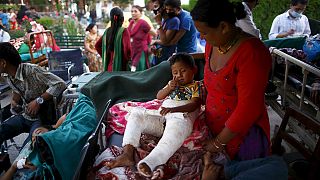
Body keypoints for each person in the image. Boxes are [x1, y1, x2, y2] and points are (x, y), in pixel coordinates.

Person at [191, 0, 275, 178]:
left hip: (243, 136)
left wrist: (217, 143)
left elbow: (248, 109)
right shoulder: (212, 45)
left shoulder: (252, 52)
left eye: (204, 32)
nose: (201, 38)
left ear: (223, 26)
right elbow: (212, 85)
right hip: (215, 126)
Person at [105, 52, 201, 177]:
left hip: (180, 121)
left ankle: (150, 163)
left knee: (169, 139)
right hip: (162, 120)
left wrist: (173, 110)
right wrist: (169, 88)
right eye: (175, 72)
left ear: (194, 70)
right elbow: (159, 96)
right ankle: (127, 154)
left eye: (183, 71)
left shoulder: (196, 86)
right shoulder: (172, 84)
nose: (179, 75)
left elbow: (194, 105)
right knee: (136, 114)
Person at [0, 42, 66, 147]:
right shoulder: (8, 75)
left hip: (42, 118)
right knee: (2, 130)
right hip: (25, 116)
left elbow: (60, 84)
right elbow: (17, 89)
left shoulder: (32, 70)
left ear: (3, 63)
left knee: (30, 147)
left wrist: (38, 101)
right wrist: (14, 101)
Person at [95, 7, 132, 72]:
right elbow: (127, 50)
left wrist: (105, 55)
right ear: (122, 19)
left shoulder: (107, 32)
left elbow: (97, 45)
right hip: (121, 68)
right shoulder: (124, 31)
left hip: (109, 68)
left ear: (111, 19)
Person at [151, 0, 181, 66]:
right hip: (158, 57)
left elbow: (164, 41)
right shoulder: (163, 20)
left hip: (166, 60)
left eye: (156, 6)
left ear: (163, 7)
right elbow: (160, 37)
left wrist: (159, 23)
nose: (154, 9)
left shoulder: (174, 20)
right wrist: (154, 46)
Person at [128, 5, 157, 72]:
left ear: (141, 13)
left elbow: (154, 33)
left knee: (140, 72)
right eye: (132, 11)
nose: (133, 13)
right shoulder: (131, 23)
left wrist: (151, 43)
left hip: (141, 52)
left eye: (135, 11)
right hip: (132, 51)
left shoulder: (143, 23)